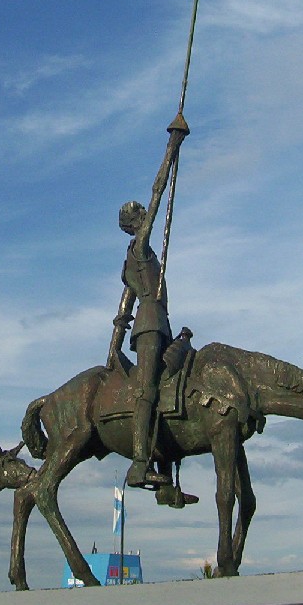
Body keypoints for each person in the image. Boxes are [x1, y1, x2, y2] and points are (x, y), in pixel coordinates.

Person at [109, 112, 189, 488]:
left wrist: (112, 344)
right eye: (141, 214)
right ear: (135, 222)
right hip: (151, 324)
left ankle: (167, 479)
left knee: (174, 380)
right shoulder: (139, 248)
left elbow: (122, 309)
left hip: (153, 322)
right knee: (149, 389)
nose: (146, 214)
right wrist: (171, 148)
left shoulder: (134, 260)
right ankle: (140, 464)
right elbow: (158, 193)